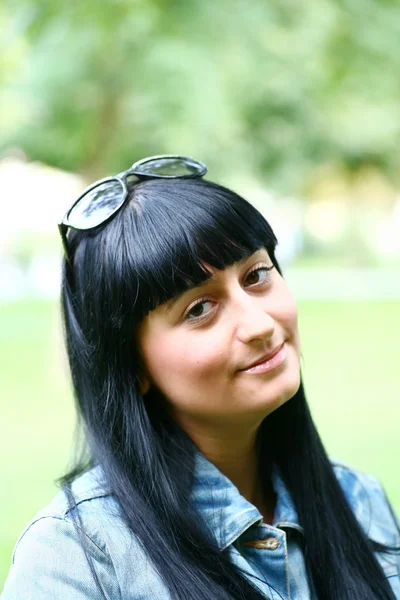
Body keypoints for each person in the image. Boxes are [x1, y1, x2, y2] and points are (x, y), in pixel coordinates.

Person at [2, 155, 400, 600]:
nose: (260, 325)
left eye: (256, 275)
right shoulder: (78, 560)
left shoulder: (358, 501)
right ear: (132, 367)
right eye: (199, 308)